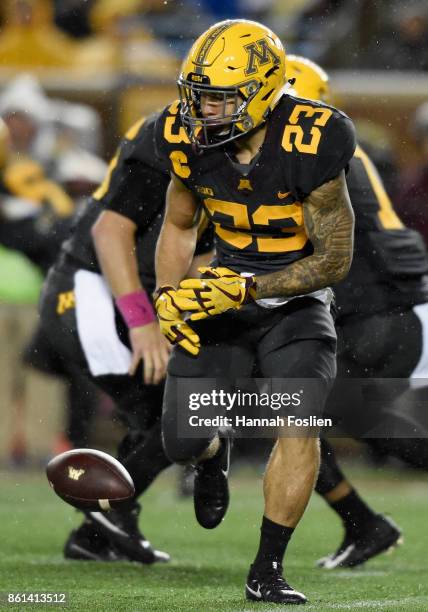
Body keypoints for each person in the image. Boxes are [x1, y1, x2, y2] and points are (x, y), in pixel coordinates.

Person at [154, 19, 356, 605]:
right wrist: (168, 296)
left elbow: (335, 260)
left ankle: (267, 570)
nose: (206, 110)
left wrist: (245, 289)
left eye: (221, 97)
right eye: (200, 95)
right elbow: (179, 222)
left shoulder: (314, 136)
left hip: (294, 299)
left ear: (265, 89)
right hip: (222, 293)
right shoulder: (184, 136)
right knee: (182, 441)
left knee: (300, 417)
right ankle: (213, 454)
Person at [28, 112, 213, 563]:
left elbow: (198, 259)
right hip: (90, 288)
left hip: (129, 294)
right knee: (170, 412)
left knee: (173, 411)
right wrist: (142, 321)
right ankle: (110, 511)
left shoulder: (231, 164)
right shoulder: (177, 143)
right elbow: (109, 232)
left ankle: (97, 533)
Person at [286, 55, 428, 568]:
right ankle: (362, 524)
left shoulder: (309, 153)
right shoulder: (344, 145)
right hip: (393, 308)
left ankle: (361, 523)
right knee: (360, 425)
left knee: (289, 413)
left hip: (373, 314)